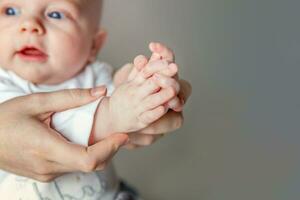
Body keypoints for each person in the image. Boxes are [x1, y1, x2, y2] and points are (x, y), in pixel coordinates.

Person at [0, 0, 191, 199]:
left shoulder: (95, 75)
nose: (29, 24)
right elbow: (43, 128)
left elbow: (121, 98)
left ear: (93, 45)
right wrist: (114, 115)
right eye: (11, 11)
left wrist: (147, 84)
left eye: (55, 14)